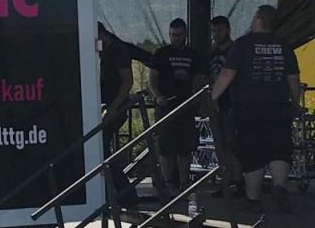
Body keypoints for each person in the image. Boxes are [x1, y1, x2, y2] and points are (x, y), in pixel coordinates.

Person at [211, 5, 300, 213]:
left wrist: (211, 97)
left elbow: (227, 74)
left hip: (248, 107)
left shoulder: (243, 44)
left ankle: (253, 199)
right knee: (279, 149)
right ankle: (279, 186)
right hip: (278, 106)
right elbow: (293, 79)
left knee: (252, 153)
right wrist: (296, 103)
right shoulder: (284, 45)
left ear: (259, 19)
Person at [149, 18, 205, 193]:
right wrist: (158, 96)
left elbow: (198, 78)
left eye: (179, 35)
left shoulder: (193, 55)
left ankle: (184, 182)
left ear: (185, 34)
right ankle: (169, 182)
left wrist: (197, 99)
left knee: (185, 147)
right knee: (165, 146)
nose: (176, 38)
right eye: (173, 35)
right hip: (166, 105)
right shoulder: (161, 54)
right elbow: (152, 77)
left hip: (186, 106)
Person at [98, 22, 137, 205]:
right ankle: (120, 191)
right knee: (102, 148)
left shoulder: (117, 50)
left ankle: (125, 192)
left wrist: (113, 108)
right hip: (107, 104)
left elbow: (127, 81)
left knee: (101, 147)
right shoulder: (105, 50)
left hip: (116, 106)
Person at [207, 15, 244, 198]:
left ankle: (238, 182)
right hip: (217, 103)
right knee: (221, 146)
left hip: (233, 102)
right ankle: (226, 181)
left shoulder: (235, 50)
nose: (216, 34)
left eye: (219, 30)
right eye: (213, 31)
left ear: (227, 30)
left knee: (233, 145)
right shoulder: (212, 53)